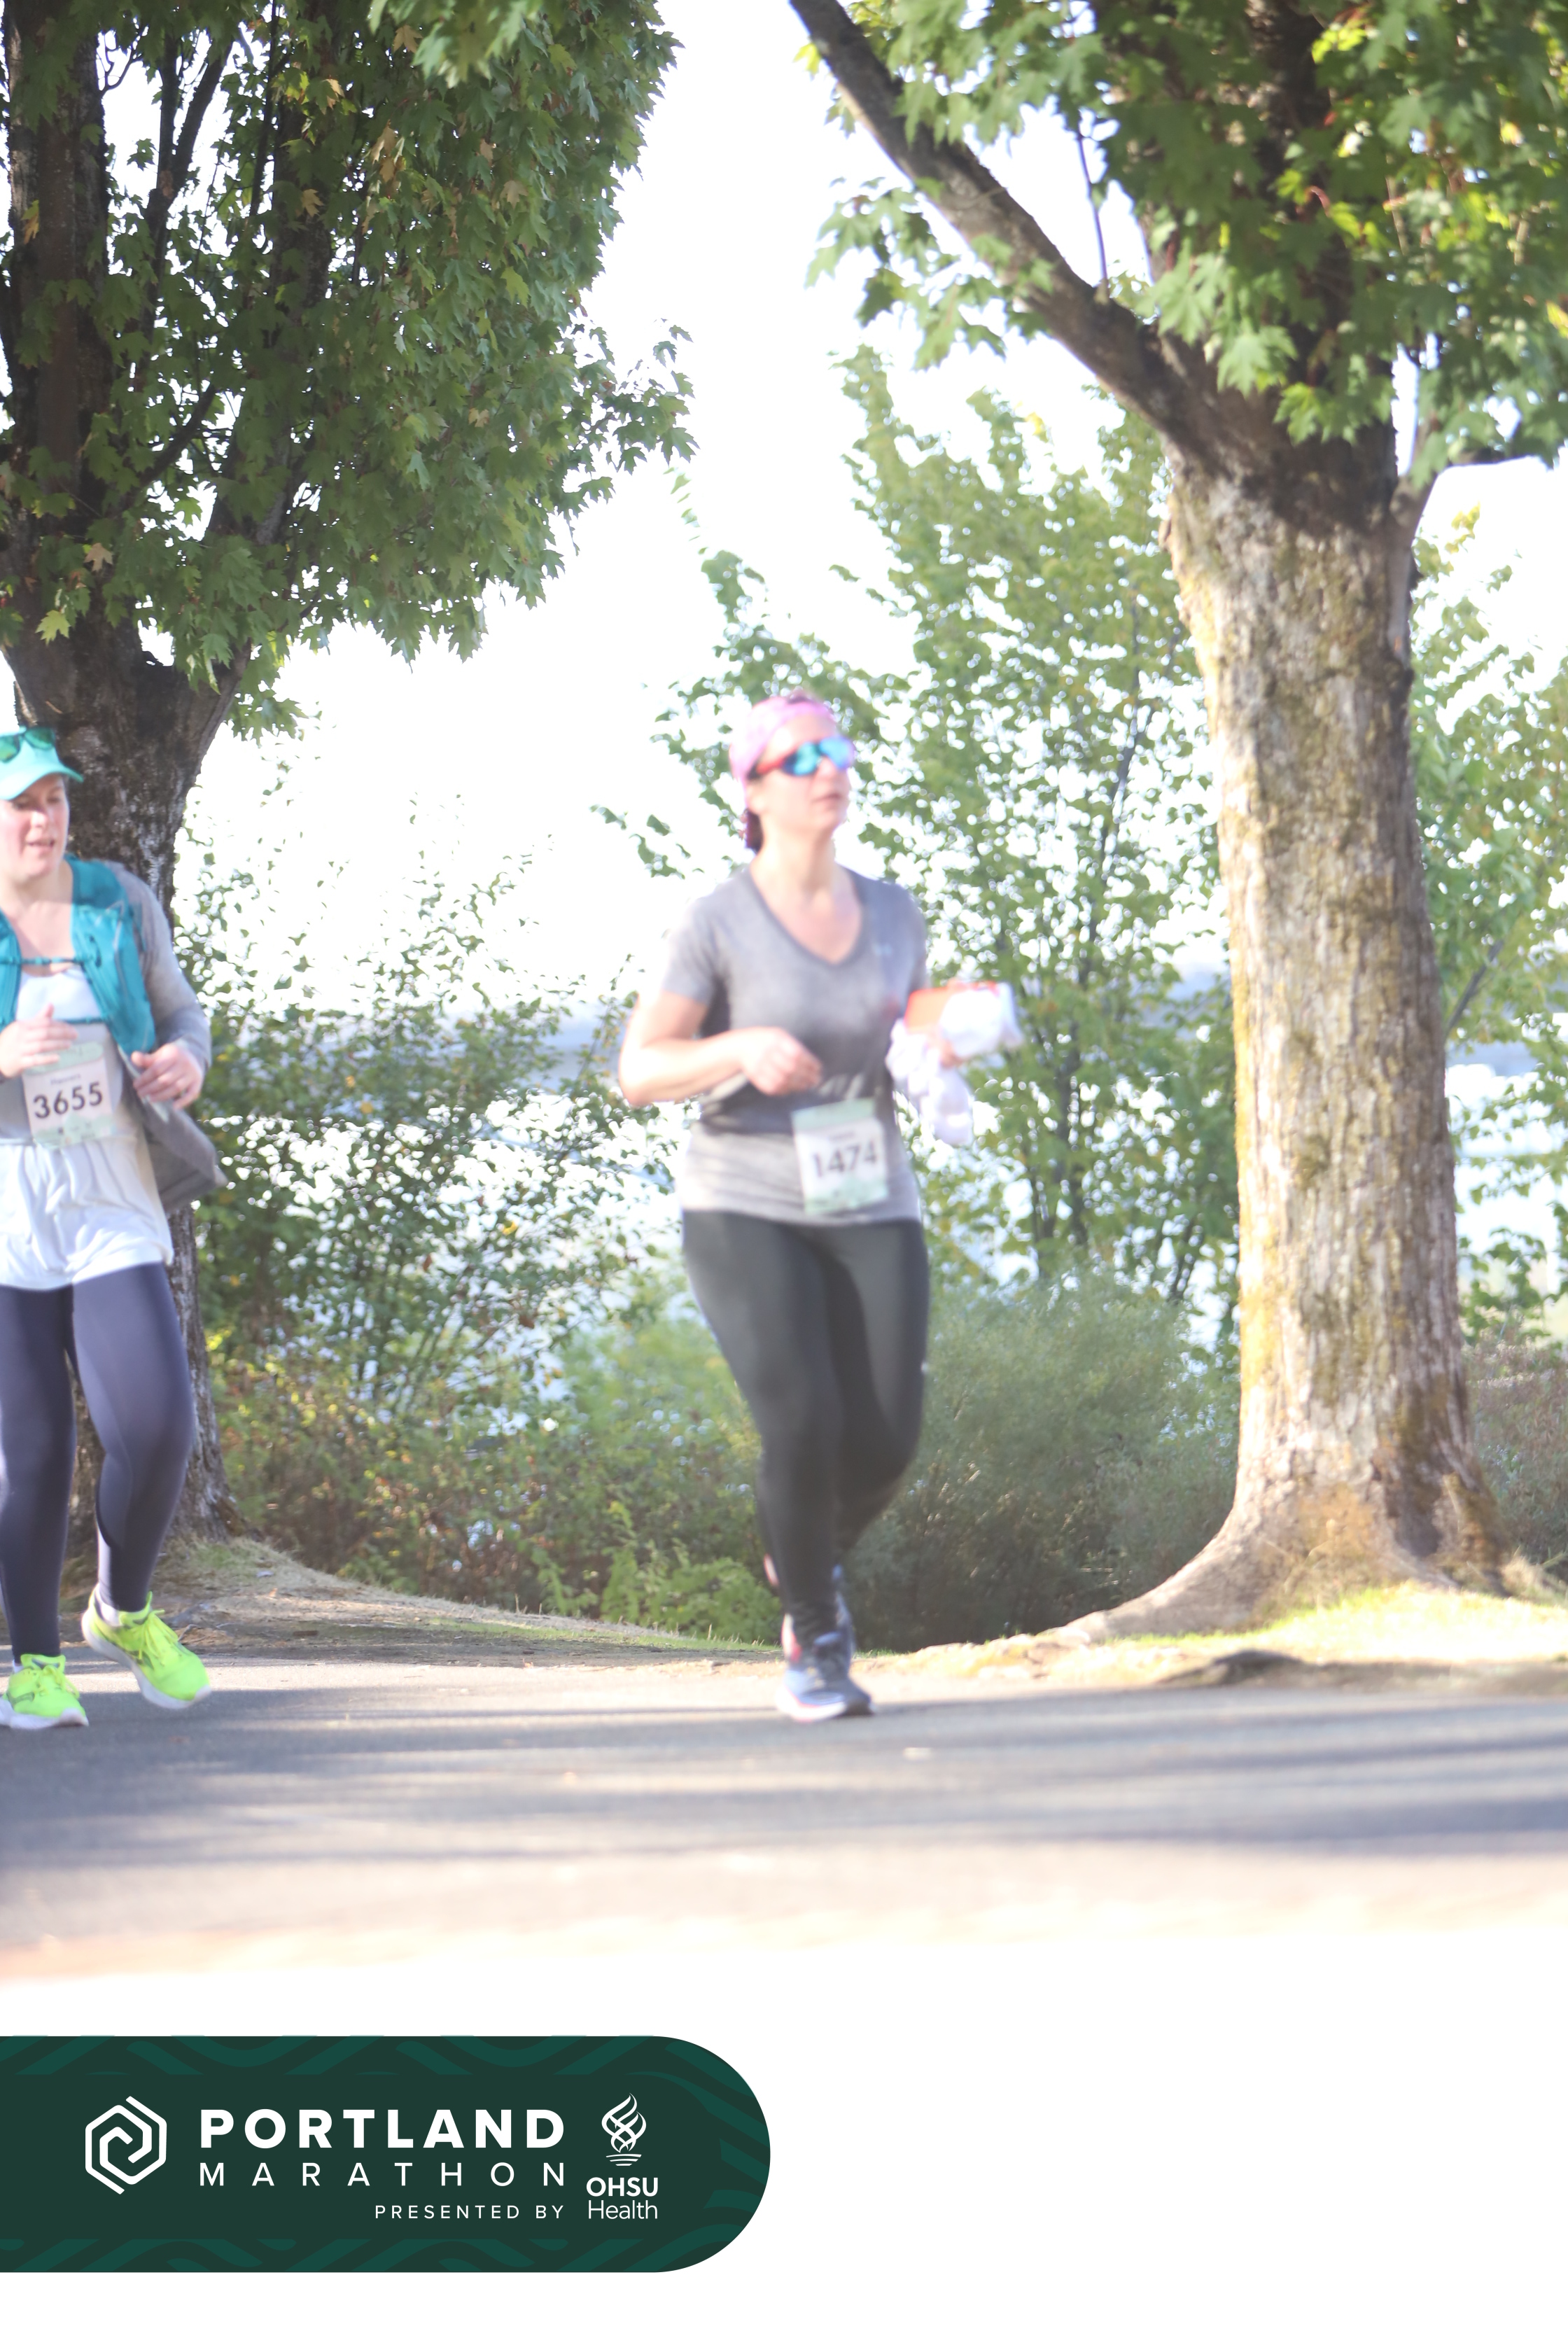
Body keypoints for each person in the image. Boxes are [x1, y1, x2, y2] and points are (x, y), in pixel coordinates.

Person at [620, 692, 932, 1723]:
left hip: (868, 1187)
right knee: (802, 1417)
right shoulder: (718, 921)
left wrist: (939, 1050)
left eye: (837, 749)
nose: (828, 768)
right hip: (744, 1198)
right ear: (752, 792)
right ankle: (816, 1638)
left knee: (885, 1436)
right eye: (801, 758)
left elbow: (905, 1039)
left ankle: (798, 1549)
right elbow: (640, 1069)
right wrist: (740, 1047)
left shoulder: (895, 913)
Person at [0, 726, 220, 1730]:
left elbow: (183, 1016)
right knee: (32, 1453)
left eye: (53, 799)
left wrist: (186, 1062)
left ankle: (121, 1610)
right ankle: (34, 1664)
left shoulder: (118, 902)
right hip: (9, 1217)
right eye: (21, 804)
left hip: (111, 1200)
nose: (42, 819)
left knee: (158, 1422)